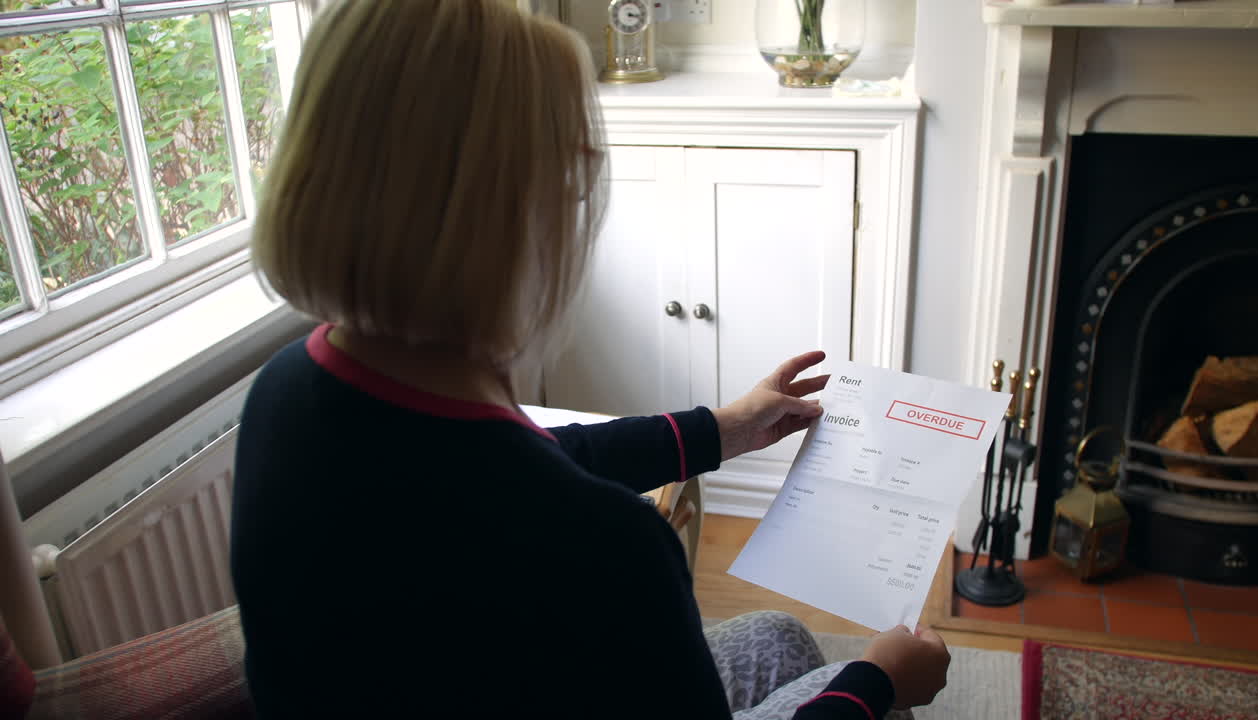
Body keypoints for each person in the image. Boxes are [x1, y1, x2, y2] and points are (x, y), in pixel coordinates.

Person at [230, 1, 950, 718]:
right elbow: (530, 496)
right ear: (512, 214)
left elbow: (515, 471)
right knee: (869, 689)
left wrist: (722, 429)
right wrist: (878, 685)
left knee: (778, 638)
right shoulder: (609, 553)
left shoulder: (286, 391)